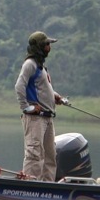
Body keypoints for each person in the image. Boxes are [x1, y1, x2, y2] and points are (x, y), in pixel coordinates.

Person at [14, 31, 67, 180]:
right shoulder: (30, 64)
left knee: (50, 156)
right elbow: (19, 86)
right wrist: (26, 107)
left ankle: (47, 187)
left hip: (48, 118)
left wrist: (55, 96)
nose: (49, 47)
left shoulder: (41, 67)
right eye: (46, 44)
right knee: (34, 154)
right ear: (39, 47)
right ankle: (30, 186)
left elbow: (44, 88)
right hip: (36, 119)